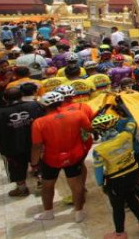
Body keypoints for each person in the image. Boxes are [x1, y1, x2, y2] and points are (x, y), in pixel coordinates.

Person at [30, 91, 92, 221]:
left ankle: (48, 212)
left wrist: (34, 162)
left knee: (48, 185)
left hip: (50, 158)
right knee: (77, 185)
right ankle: (79, 213)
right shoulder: (78, 114)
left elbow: (37, 145)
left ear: (44, 106)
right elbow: (89, 129)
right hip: (75, 155)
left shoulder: (39, 123)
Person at [92, 114, 139, 238]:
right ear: (115, 124)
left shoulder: (99, 150)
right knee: (132, 197)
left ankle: (120, 233)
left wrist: (100, 183)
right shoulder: (126, 135)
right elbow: (133, 121)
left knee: (117, 207)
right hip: (132, 173)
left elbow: (98, 169)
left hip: (115, 179)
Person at [0, 86, 44, 196]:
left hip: (11, 146)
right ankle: (41, 182)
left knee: (15, 167)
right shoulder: (34, 106)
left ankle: (22, 188)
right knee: (39, 162)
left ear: (4, 99)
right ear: (21, 96)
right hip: (34, 143)